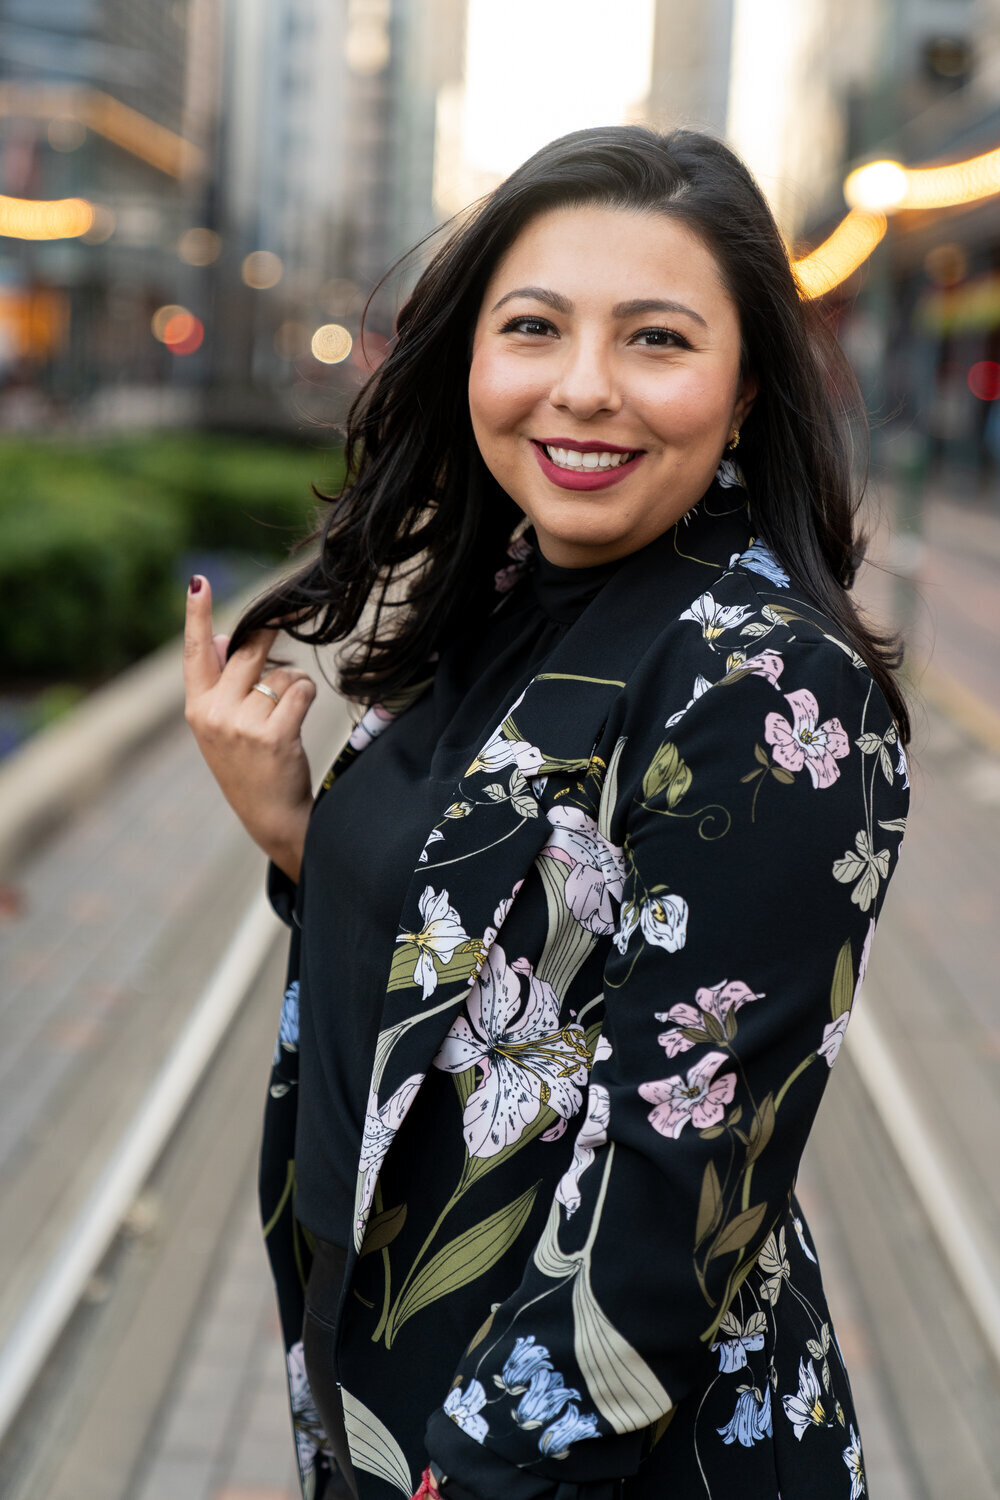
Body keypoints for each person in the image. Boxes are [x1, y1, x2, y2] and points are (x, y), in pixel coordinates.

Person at [183, 125, 910, 1500]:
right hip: (391, 1386)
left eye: (656, 341)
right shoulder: (508, 600)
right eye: (534, 328)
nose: (583, 390)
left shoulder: (765, 686)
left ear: (748, 389)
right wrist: (296, 834)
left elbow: (673, 1203)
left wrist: (481, 1475)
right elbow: (498, 974)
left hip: (570, 1462)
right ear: (468, 358)